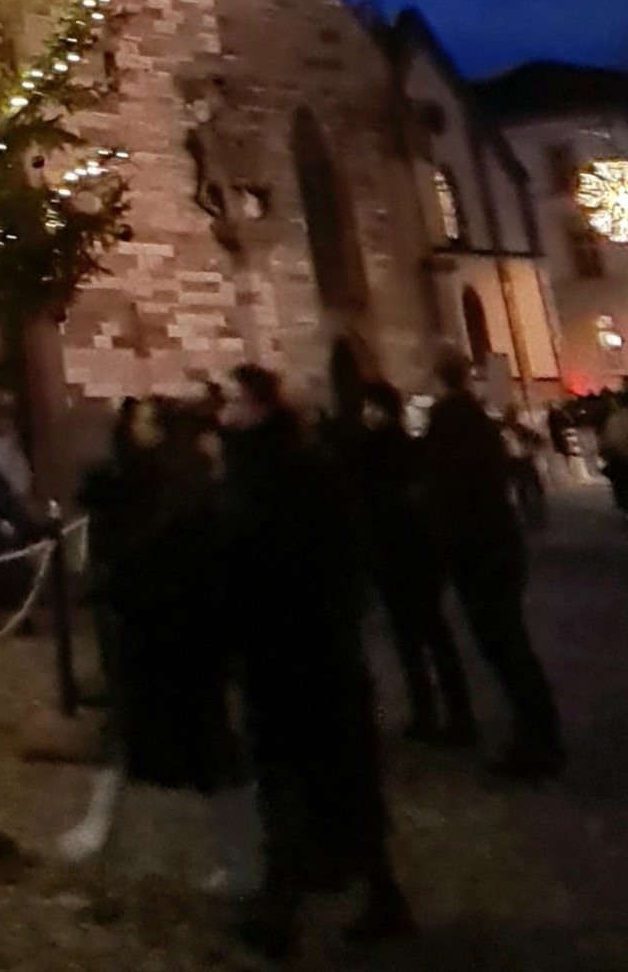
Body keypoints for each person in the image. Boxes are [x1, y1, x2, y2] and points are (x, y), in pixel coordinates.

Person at [221, 365, 410, 954]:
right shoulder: (297, 465)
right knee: (338, 777)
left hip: (290, 652)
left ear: (256, 406)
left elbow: (256, 556)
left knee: (290, 779)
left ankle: (282, 907)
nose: (223, 412)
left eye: (232, 401)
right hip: (320, 650)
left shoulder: (268, 475)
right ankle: (377, 895)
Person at [68, 398, 247, 881]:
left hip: (182, 631)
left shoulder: (187, 484)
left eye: (146, 421)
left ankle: (239, 857)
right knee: (128, 729)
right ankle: (100, 826)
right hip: (145, 628)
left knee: (210, 747)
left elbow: (179, 554)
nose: (135, 427)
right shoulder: (133, 478)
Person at [421, 351, 563, 779]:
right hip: (496, 546)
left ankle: (538, 742)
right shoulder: (476, 419)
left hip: (477, 551)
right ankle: (539, 735)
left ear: (437, 379)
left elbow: (446, 488)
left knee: (504, 647)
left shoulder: (450, 421)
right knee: (509, 644)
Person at [341, 381, 474, 746]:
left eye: (373, 406)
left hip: (407, 556)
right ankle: (430, 714)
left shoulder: (395, 450)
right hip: (397, 559)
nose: (367, 413)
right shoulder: (380, 450)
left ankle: (451, 716)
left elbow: (396, 503)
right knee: (415, 642)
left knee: (429, 639)